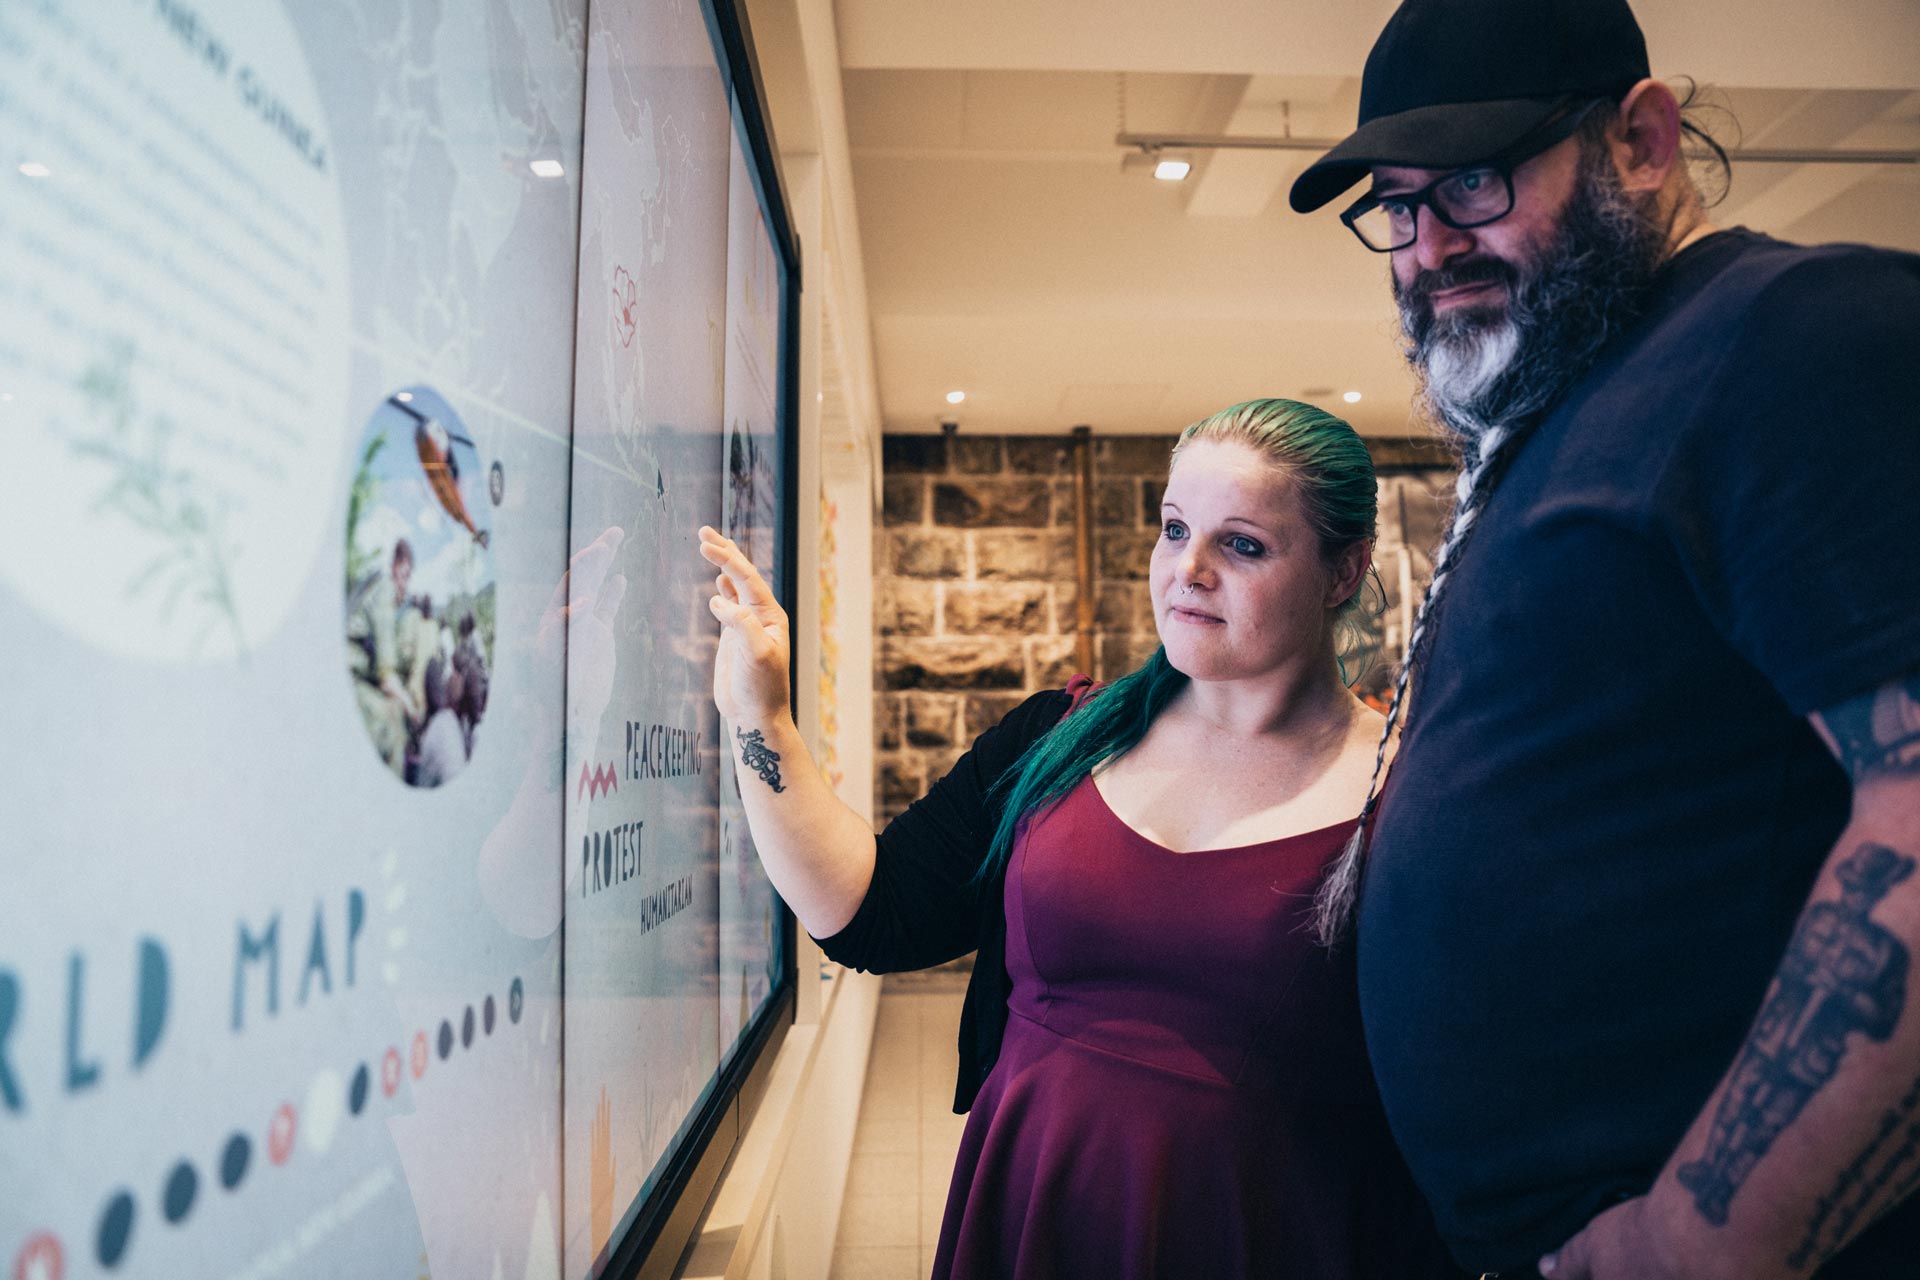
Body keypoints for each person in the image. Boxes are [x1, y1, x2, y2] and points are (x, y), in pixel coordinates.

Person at [1286, 1, 1920, 1277]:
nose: (1429, 247)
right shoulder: (1561, 415)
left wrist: (1705, 1237)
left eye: (1473, 179)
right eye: (1395, 207)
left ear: (1642, 139)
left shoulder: (1793, 331)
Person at [700, 400, 1462, 1278]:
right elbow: (872, 912)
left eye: (1242, 544)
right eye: (1174, 530)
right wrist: (760, 717)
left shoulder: (1410, 794)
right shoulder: (1061, 738)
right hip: (1034, 1215)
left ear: (1343, 572)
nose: (1189, 569)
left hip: (1276, 1235)